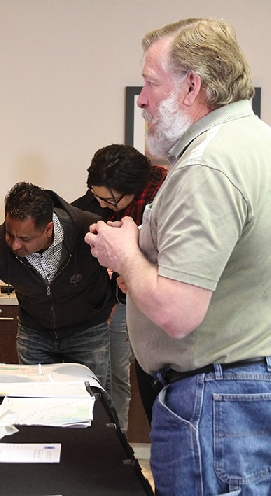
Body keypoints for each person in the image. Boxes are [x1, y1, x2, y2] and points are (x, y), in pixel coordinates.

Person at [84, 18, 271, 494]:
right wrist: (142, 257)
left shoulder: (208, 164)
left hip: (220, 401)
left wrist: (126, 254)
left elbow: (177, 311)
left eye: (149, 82)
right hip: (247, 395)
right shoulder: (255, 142)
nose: (141, 99)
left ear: (192, 87)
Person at [0, 182, 116, 396]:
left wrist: (114, 302)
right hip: (35, 334)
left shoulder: (87, 231)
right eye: (9, 233)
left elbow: (122, 269)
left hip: (87, 333)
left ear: (48, 229)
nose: (14, 245)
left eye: (25, 239)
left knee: (93, 401)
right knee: (34, 401)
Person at [74, 144, 167, 433]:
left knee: (147, 387)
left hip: (162, 313)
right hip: (126, 304)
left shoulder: (164, 203)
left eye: (108, 199)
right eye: (96, 196)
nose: (102, 205)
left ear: (129, 188)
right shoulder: (109, 205)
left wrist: (131, 268)